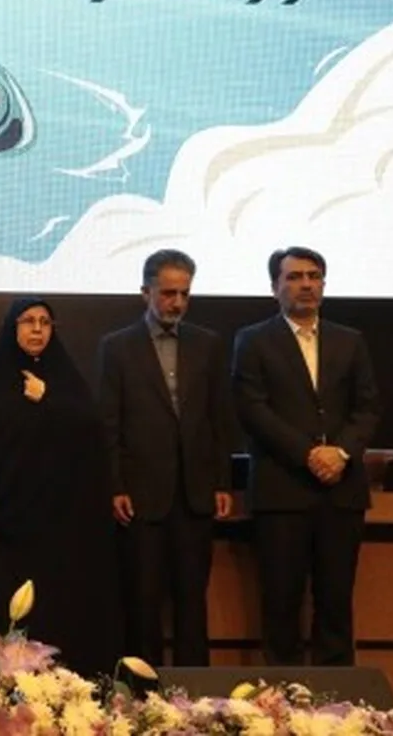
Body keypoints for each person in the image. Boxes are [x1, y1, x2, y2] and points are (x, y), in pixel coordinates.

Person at [0, 297, 120, 678]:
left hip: (50, 519)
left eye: (45, 322)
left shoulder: (64, 380)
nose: (37, 329)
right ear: (12, 328)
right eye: (28, 321)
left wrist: (47, 399)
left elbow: (89, 434)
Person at [232, 246, 380, 666]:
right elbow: (252, 409)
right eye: (295, 277)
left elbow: (367, 407)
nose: (306, 285)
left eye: (314, 276)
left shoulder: (350, 341)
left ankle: (338, 698)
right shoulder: (253, 340)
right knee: (281, 601)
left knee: (336, 601)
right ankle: (285, 695)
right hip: (283, 489)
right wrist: (309, 454)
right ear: (275, 287)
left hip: (341, 492)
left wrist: (341, 452)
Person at [97, 249, 233, 667]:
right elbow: (108, 423)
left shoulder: (207, 345)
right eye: (168, 293)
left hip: (195, 494)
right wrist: (115, 485)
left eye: (185, 294)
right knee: (143, 601)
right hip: (141, 495)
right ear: (146, 292)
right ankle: (143, 689)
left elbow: (219, 417)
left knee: (192, 600)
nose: (177, 303)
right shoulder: (117, 347)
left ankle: (195, 691)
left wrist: (222, 481)